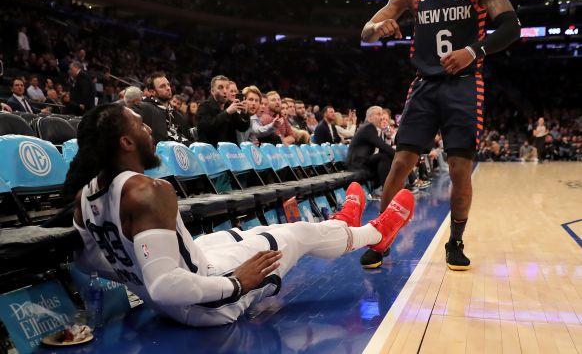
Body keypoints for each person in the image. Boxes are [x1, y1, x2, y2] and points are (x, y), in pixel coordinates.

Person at [65, 104, 415, 327]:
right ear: (126, 143)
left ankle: (340, 225)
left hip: (173, 300)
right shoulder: (147, 191)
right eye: (141, 126)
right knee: (297, 235)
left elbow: (87, 260)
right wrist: (237, 283)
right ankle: (375, 233)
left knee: (230, 236)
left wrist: (136, 273)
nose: (150, 131)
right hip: (209, 305)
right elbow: (165, 284)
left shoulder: (86, 195)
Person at [360, 0, 521, 270]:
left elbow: (512, 27)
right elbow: (365, 33)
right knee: (401, 162)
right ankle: (382, 237)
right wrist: (378, 27)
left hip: (464, 84)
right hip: (424, 85)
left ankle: (456, 241)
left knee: (460, 168)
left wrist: (473, 51)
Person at [133, 72, 192, 145]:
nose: (168, 88)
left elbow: (189, 139)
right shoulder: (144, 108)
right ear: (152, 92)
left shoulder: (178, 116)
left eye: (168, 85)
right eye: (162, 86)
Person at [346, 106, 396, 193]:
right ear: (370, 118)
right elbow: (382, 146)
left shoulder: (372, 128)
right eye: (378, 114)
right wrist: (398, 156)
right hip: (357, 163)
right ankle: (384, 190)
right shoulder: (368, 128)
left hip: (363, 160)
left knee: (385, 156)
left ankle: (385, 187)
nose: (381, 117)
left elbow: (384, 147)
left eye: (382, 114)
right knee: (384, 157)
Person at [196, 75, 250, 147]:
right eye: (220, 87)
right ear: (212, 91)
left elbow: (242, 128)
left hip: (229, 152)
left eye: (227, 88)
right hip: (211, 153)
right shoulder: (204, 106)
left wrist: (245, 114)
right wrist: (227, 113)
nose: (225, 91)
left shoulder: (228, 106)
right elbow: (206, 128)